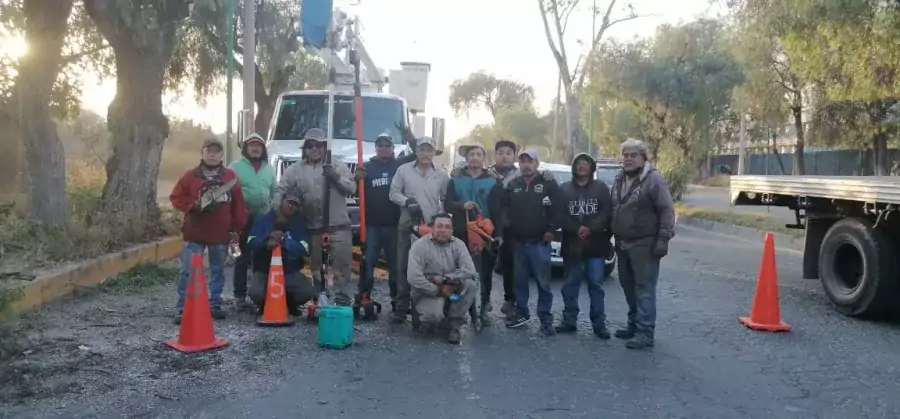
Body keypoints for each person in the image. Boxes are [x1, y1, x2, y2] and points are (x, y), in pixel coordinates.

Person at [271, 128, 356, 306]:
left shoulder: (338, 165)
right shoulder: (295, 170)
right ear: (304, 149)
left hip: (338, 226)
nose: (314, 149)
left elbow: (352, 188)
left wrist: (336, 177)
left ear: (325, 148)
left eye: (319, 145)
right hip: (314, 228)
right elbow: (280, 189)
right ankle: (320, 299)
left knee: (343, 267)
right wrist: (277, 210)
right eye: (310, 145)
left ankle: (343, 302)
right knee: (317, 268)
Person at [169, 137, 247, 324]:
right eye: (209, 151)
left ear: (222, 155)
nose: (212, 155)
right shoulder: (190, 176)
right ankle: (183, 307)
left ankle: (214, 304)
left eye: (217, 152)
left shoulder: (229, 178)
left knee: (217, 270)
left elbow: (239, 206)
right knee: (187, 271)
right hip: (194, 232)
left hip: (220, 233)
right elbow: (175, 197)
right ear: (202, 153)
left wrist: (236, 228)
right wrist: (192, 205)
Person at [610, 138, 676, 350]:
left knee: (644, 289)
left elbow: (667, 210)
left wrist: (663, 239)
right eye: (625, 155)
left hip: (645, 244)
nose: (628, 159)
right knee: (628, 287)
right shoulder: (619, 178)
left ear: (643, 157)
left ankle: (645, 333)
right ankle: (633, 325)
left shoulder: (653, 180)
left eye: (633, 155)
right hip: (622, 244)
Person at [353, 133, 417, 313]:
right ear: (375, 148)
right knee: (368, 263)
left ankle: (397, 300)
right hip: (371, 225)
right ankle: (363, 296)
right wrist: (356, 179)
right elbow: (354, 192)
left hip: (394, 225)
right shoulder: (366, 167)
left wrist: (410, 136)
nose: (383, 148)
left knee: (396, 266)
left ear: (393, 147)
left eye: (387, 145)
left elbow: (418, 152)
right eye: (379, 144)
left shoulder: (400, 165)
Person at [389, 136, 449, 323]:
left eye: (429, 150)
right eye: (422, 149)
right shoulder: (403, 170)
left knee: (428, 267)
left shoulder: (441, 174)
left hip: (431, 227)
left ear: (434, 153)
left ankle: (422, 308)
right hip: (407, 223)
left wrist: (440, 217)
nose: (425, 154)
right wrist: (407, 201)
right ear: (416, 151)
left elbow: (445, 200)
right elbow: (393, 193)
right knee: (403, 265)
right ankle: (401, 306)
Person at [554, 153, 614, 338]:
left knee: (596, 285)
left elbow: (607, 212)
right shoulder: (564, 189)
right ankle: (569, 320)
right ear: (573, 166)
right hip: (572, 245)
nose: (582, 166)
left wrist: (591, 228)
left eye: (585, 163)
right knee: (570, 284)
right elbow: (559, 214)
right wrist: (576, 228)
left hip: (595, 246)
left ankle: (599, 323)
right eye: (578, 163)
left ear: (592, 167)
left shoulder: (601, 188)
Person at [444, 144, 504, 322]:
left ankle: (483, 308)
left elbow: (498, 210)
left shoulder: (493, 182)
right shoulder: (455, 180)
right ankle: (457, 309)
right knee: (459, 273)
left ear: (484, 158)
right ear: (467, 158)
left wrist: (499, 234)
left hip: (485, 233)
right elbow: (447, 204)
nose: (475, 158)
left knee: (484, 273)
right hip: (461, 232)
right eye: (472, 155)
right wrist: (461, 205)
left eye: (479, 154)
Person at [503, 150, 560, 335]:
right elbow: (506, 210)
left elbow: (558, 209)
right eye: (523, 161)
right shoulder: (513, 184)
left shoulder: (549, 183)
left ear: (537, 163)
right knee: (520, 281)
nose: (526, 165)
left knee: (544, 283)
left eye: (530, 161)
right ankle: (522, 313)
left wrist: (551, 230)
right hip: (518, 242)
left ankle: (545, 318)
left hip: (540, 242)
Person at [407, 213, 478, 344]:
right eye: (439, 226)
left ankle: (454, 325)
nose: (443, 230)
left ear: (452, 230)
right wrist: (437, 289)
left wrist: (446, 279)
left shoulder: (459, 245)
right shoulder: (419, 246)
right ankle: (424, 317)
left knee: (471, 285)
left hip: (451, 292)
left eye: (447, 227)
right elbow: (413, 277)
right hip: (427, 292)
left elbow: (470, 270)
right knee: (433, 316)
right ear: (432, 228)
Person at [228, 132, 276, 310]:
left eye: (259, 146)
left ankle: (259, 296)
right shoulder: (235, 167)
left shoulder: (269, 169)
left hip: (262, 219)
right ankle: (239, 296)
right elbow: (227, 192)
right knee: (242, 257)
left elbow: (275, 192)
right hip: (242, 218)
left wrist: (275, 213)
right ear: (246, 148)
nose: (255, 148)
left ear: (263, 150)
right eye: (252, 145)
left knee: (262, 257)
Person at [247, 196, 316, 315]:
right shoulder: (263, 219)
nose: (291, 207)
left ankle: (289, 306)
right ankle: (265, 306)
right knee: (255, 292)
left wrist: (284, 242)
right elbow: (250, 241)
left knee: (307, 291)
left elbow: (304, 248)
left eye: (295, 205)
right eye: (289, 202)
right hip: (264, 271)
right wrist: (267, 239)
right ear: (280, 201)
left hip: (290, 272)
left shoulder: (298, 223)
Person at [485, 140, 521, 318]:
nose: (504, 155)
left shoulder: (521, 176)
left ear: (514, 156)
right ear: (495, 155)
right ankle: (484, 301)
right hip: (486, 227)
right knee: (485, 266)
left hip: (510, 228)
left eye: (508, 152)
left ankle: (511, 301)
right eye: (500, 152)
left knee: (510, 266)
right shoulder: (486, 175)